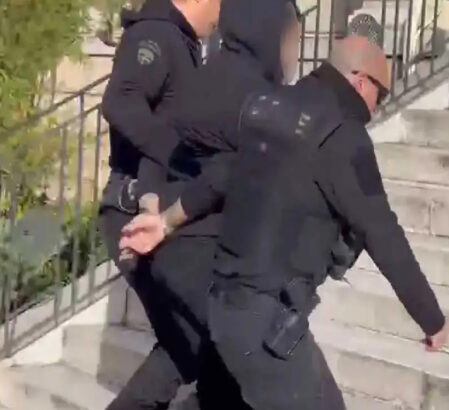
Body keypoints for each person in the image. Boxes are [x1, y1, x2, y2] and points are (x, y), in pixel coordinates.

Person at [120, 35, 449, 410]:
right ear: (361, 82)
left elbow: (221, 176)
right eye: (381, 94)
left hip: (224, 304)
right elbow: (382, 232)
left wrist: (165, 222)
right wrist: (432, 319)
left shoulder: (268, 105)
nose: (378, 107)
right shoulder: (344, 136)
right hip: (266, 323)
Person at [109, 0, 304, 408]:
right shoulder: (157, 35)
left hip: (167, 215)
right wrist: (171, 176)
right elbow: (122, 105)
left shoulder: (196, 55)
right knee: (202, 351)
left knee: (194, 352)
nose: (223, 13)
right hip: (145, 213)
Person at [98, 0, 225, 408]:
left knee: (188, 344)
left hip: (157, 212)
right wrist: (182, 158)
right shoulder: (155, 34)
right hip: (137, 210)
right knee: (202, 339)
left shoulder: (181, 43)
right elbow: (120, 102)